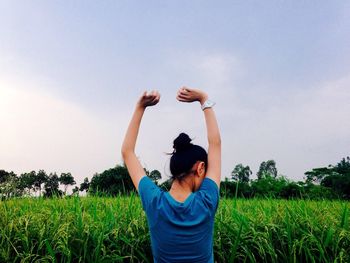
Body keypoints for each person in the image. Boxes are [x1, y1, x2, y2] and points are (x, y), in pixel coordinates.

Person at [121, 87, 221, 262]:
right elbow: (216, 144)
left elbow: (127, 152)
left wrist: (140, 107)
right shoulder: (207, 201)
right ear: (200, 168)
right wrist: (203, 99)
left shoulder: (154, 202)